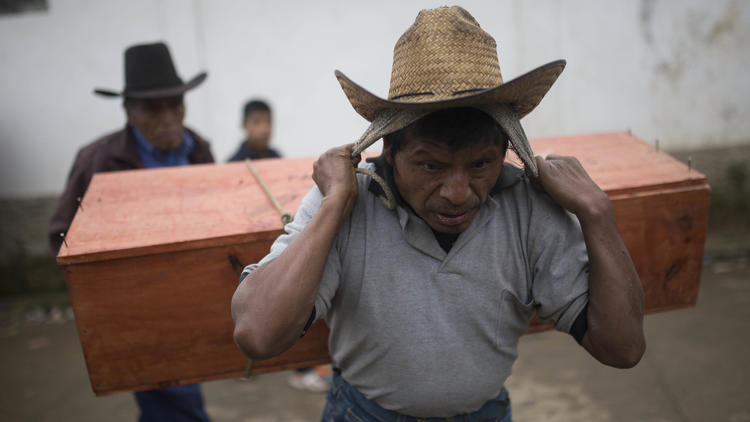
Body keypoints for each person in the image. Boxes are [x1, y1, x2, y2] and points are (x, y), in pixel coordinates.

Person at [231, 6, 645, 422]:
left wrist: (597, 212)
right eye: (431, 165)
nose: (457, 194)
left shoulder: (527, 207)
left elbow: (623, 349)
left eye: (480, 164)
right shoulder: (345, 199)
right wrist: (334, 205)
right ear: (389, 151)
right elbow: (257, 334)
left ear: (504, 152)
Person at [49, 41, 214, 422]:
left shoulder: (198, 150)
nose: (169, 117)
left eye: (176, 104)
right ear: (129, 112)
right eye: (154, 108)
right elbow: (61, 235)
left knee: (175, 394)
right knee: (175, 399)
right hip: (137, 304)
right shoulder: (99, 160)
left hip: (192, 297)